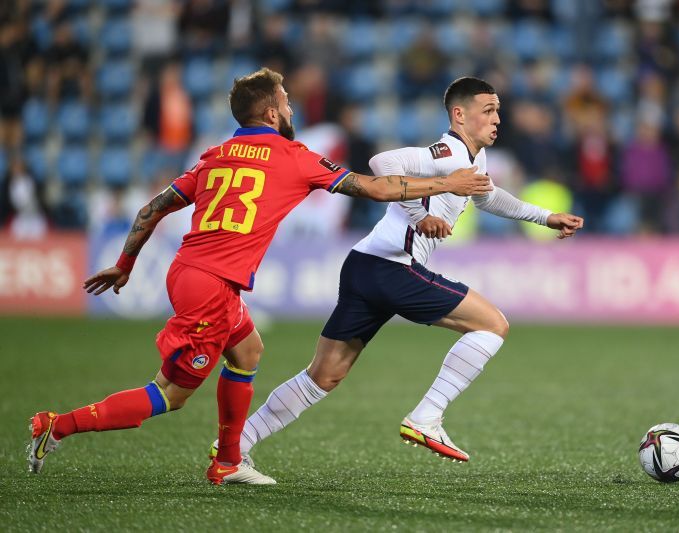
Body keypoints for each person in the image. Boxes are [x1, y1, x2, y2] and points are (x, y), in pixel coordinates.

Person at [27, 68, 491, 485]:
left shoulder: (216, 154)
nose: (291, 108)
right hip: (209, 287)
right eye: (287, 101)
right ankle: (57, 424)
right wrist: (447, 183)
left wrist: (124, 265)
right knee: (169, 395)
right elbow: (374, 188)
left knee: (248, 351)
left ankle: (228, 460)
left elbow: (152, 209)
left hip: (193, 273)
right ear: (271, 112)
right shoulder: (292, 155)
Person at [226, 77, 583, 473]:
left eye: (498, 110)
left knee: (324, 375)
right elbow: (383, 164)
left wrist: (545, 217)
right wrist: (421, 214)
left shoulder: (472, 158)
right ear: (459, 115)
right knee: (492, 325)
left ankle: (235, 445)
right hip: (392, 266)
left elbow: (487, 196)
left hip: (364, 264)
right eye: (488, 111)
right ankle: (427, 417)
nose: (497, 118)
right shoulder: (446, 152)